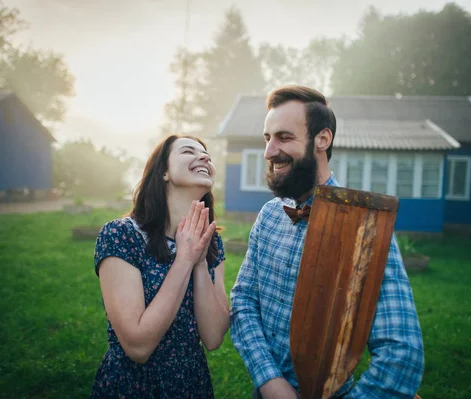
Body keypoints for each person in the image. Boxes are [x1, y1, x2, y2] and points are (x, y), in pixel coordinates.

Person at [230, 86, 424, 398]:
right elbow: (243, 303)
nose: (269, 152)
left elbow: (401, 357)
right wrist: (269, 381)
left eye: (284, 137)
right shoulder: (268, 216)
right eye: (267, 138)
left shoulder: (367, 227)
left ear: (323, 139)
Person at [91, 135, 229, 398]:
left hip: (192, 385)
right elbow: (138, 347)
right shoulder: (121, 235)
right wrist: (184, 259)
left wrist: (199, 262)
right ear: (164, 171)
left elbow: (212, 338)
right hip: (134, 386)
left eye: (207, 155)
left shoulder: (211, 241)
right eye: (189, 151)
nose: (204, 158)